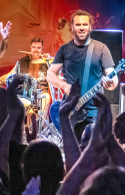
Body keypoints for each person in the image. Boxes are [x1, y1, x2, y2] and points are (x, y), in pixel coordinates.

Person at [46, 10, 118, 138]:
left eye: (85, 24)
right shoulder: (64, 50)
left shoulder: (101, 49)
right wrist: (64, 85)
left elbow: (113, 77)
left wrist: (110, 83)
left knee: (91, 148)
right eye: (78, 24)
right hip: (71, 112)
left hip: (93, 115)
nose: (81, 28)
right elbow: (50, 74)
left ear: (90, 27)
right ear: (72, 28)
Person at [6, 37, 53, 120]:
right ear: (30, 48)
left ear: (42, 49)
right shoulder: (21, 62)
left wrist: (50, 62)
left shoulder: (47, 63)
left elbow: (56, 75)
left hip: (41, 93)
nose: (36, 50)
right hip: (25, 94)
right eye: (34, 47)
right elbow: (10, 75)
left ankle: (39, 124)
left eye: (38, 48)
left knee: (46, 98)